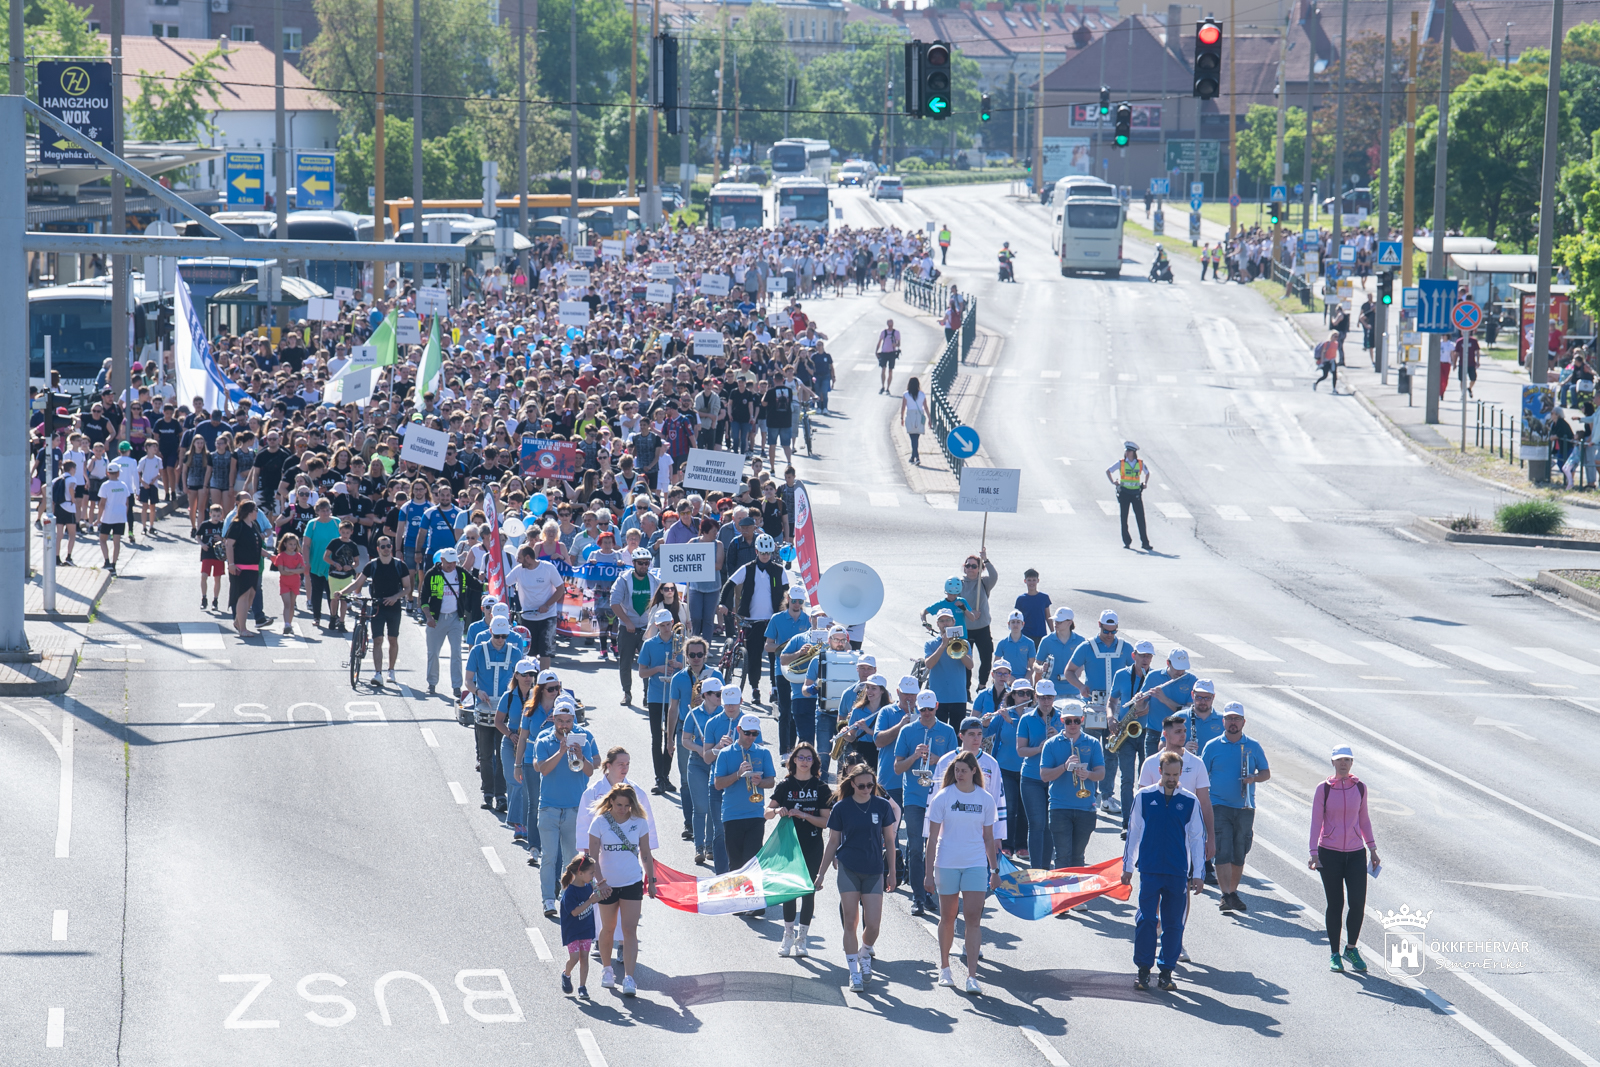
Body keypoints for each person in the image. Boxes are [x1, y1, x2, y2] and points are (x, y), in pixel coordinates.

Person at [1121, 751, 1206, 991]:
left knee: (1173, 924)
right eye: (1168, 774)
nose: (1172, 779)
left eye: (1176, 775)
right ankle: (1143, 970)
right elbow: (1134, 832)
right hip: (1149, 869)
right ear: (1160, 772)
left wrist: (1198, 873)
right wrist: (1128, 867)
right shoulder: (1144, 797)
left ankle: (1167, 971)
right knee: (1147, 919)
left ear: (1180, 773)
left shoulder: (1190, 801)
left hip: (1177, 872)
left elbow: (1197, 838)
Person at [815, 763, 899, 992]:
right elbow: (833, 842)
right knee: (850, 920)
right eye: (861, 785)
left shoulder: (882, 806)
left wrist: (892, 872)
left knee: (873, 925)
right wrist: (820, 875)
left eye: (870, 785)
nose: (866, 789)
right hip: (848, 868)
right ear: (851, 784)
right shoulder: (841, 808)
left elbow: (890, 842)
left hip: (874, 869)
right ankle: (854, 973)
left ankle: (864, 953)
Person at [924, 752, 1000, 994]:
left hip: (975, 864)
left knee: (973, 919)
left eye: (964, 770)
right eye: (956, 770)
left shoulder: (986, 799)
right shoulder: (942, 797)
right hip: (946, 863)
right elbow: (932, 838)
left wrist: (994, 869)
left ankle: (972, 975)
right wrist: (927, 874)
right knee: (948, 917)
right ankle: (945, 968)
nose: (959, 774)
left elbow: (989, 837)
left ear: (974, 771)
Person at [1310, 743, 1378, 973]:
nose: (1343, 763)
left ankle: (1351, 948)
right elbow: (1316, 822)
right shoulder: (1324, 789)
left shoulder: (1359, 788)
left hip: (1355, 853)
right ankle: (1334, 953)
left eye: (1347, 760)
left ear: (1351, 763)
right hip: (1329, 853)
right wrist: (1313, 853)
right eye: (1339, 759)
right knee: (1335, 904)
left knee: (1358, 903)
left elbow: (1364, 819)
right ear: (1332, 762)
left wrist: (1372, 848)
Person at [585, 782, 656, 997]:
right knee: (608, 929)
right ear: (610, 802)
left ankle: (629, 978)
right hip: (607, 884)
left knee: (629, 930)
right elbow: (592, 856)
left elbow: (645, 853)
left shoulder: (640, 823)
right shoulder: (599, 823)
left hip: (632, 882)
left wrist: (650, 881)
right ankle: (607, 971)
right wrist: (600, 882)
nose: (622, 809)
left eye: (626, 805)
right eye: (618, 805)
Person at [895, 688, 960, 917]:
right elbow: (897, 767)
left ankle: (931, 892)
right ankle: (918, 897)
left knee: (938, 847)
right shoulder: (907, 731)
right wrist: (914, 757)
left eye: (930, 709)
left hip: (939, 797)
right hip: (914, 797)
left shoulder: (948, 731)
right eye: (922, 709)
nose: (925, 713)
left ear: (937, 707)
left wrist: (937, 760)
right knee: (915, 848)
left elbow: (957, 767)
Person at [1202, 702, 1270, 913]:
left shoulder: (1254, 746)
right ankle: (1226, 895)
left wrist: (1253, 778)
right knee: (1222, 851)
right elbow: (1202, 776)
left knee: (1239, 852)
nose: (1233, 723)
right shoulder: (1212, 746)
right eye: (1229, 719)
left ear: (1243, 722)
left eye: (1237, 719)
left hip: (1245, 808)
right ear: (1223, 721)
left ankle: (1232, 891)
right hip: (1219, 805)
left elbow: (1266, 773)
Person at [533, 697, 598, 916]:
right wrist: (561, 752)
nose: (564, 725)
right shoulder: (543, 740)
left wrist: (580, 755)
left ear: (573, 720)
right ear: (553, 719)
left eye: (568, 721)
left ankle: (566, 897)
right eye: (560, 721)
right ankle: (548, 900)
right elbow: (543, 769)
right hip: (549, 808)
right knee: (549, 857)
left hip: (574, 810)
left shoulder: (583, 740)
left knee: (572, 861)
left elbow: (589, 771)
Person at [768, 741, 833, 958]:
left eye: (809, 758)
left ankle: (802, 939)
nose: (804, 761)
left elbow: (826, 822)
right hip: (788, 846)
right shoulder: (785, 785)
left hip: (812, 844)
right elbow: (767, 812)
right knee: (789, 890)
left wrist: (804, 815)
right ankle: (787, 936)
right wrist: (778, 811)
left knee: (808, 891)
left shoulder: (821, 788)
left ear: (814, 762)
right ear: (793, 760)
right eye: (801, 757)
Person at [713, 712, 778, 915]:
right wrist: (738, 774)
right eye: (747, 733)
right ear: (738, 730)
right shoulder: (725, 754)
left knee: (753, 860)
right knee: (736, 861)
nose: (751, 737)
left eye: (755, 734)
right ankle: (738, 902)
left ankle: (755, 903)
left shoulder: (763, 753)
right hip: (732, 814)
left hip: (755, 813)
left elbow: (771, 781)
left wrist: (760, 781)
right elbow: (718, 784)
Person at [718, 533, 788, 705]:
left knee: (774, 656)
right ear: (756, 551)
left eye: (768, 553)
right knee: (754, 656)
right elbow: (729, 584)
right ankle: (755, 688)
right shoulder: (747, 569)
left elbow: (787, 593)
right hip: (752, 620)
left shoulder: (779, 571)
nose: (765, 556)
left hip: (773, 621)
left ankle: (774, 688)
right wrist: (722, 604)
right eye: (762, 553)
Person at [1040, 701, 1105, 867]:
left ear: (1082, 720)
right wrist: (1064, 767)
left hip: (1086, 807)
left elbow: (1101, 774)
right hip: (1059, 807)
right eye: (1068, 721)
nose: (1073, 724)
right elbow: (1044, 776)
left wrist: (1088, 774)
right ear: (1062, 721)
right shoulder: (1051, 744)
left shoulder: (1093, 743)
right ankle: (1063, 892)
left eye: (1076, 720)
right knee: (1062, 856)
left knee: (1078, 857)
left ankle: (1076, 892)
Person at [347, 535, 411, 684]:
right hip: (377, 605)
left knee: (393, 639)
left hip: (394, 606)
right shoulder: (372, 565)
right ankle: (378, 674)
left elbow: (407, 588)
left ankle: (391, 671)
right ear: (378, 549)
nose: (386, 549)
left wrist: (396, 597)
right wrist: (341, 592)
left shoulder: (400, 565)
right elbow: (357, 583)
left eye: (388, 546)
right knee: (377, 640)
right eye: (383, 546)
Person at [681, 675, 728, 865]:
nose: (720, 697)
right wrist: (701, 749)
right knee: (700, 807)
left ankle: (710, 846)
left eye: (722, 694)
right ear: (706, 695)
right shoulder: (694, 714)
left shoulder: (724, 715)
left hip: (717, 764)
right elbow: (685, 740)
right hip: (697, 764)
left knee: (712, 806)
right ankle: (698, 847)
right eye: (717, 694)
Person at [420, 548, 479, 698]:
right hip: (436, 619)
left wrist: (492, 587)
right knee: (433, 652)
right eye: (449, 563)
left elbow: (476, 585)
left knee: (456, 653)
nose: (452, 566)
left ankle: (456, 686)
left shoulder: (461, 573)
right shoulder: (432, 575)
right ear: (442, 561)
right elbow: (423, 598)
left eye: (454, 563)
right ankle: (432, 683)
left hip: (455, 618)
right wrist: (428, 617)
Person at [1015, 679, 1061, 868]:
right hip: (1032, 778)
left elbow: (1070, 749)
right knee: (1037, 824)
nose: (1046, 701)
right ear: (1036, 697)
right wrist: (1039, 748)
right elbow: (1020, 750)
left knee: (1050, 825)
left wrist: (1058, 738)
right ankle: (1036, 870)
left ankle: (1046, 868)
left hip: (1054, 778)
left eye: (1049, 697)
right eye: (1042, 697)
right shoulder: (1027, 719)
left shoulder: (1062, 718)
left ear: (1054, 697)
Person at [505, 544, 566, 672]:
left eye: (519, 558)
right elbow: (504, 583)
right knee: (529, 651)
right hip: (527, 617)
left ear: (528, 557)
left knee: (545, 650)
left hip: (547, 617)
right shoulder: (518, 570)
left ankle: (543, 679)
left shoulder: (548, 568)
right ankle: (530, 677)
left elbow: (560, 589)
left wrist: (547, 605)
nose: (517, 561)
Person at [922, 608, 974, 730]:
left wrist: (956, 645)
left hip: (958, 697)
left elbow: (970, 665)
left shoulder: (964, 643)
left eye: (948, 620)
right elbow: (929, 664)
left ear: (953, 622)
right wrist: (943, 645)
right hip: (938, 698)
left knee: (957, 734)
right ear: (938, 624)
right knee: (938, 733)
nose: (945, 623)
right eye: (942, 621)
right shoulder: (930, 644)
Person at [222, 500, 265, 637]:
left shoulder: (254, 525)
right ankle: (243, 629)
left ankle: (237, 621)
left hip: (254, 566)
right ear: (248, 512)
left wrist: (271, 556)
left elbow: (257, 545)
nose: (257, 512)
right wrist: (231, 564)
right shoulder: (237, 525)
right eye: (255, 510)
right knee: (243, 595)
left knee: (251, 595)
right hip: (240, 567)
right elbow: (229, 544)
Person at [559, 852, 598, 998]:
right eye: (591, 872)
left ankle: (582, 987)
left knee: (584, 957)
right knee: (574, 958)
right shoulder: (570, 893)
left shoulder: (589, 886)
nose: (593, 875)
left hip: (586, 928)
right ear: (580, 873)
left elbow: (595, 897)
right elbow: (574, 912)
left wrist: (601, 893)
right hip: (573, 931)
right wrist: (590, 901)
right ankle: (566, 974)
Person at [1105, 441, 1152, 551]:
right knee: (1124, 518)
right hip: (1125, 493)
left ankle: (1145, 542)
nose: (1127, 452)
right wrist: (1113, 482)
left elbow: (1147, 473)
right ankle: (1127, 541)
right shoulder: (1121, 463)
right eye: (1126, 450)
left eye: (1129, 451)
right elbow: (1108, 471)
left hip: (1136, 493)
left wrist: (1145, 483)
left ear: (1134, 452)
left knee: (1140, 518)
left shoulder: (1140, 463)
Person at [270, 531, 306, 637]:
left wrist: (291, 570)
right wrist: (295, 570)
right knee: (287, 603)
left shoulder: (298, 556)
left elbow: (302, 569)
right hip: (285, 583)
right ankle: (286, 624)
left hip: (295, 583)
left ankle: (289, 623)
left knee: (292, 604)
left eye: (295, 544)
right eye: (290, 544)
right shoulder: (281, 556)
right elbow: (282, 571)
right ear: (285, 544)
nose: (293, 546)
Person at [197, 503, 226, 609]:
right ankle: (204, 598)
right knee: (204, 576)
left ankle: (215, 600)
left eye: (218, 516)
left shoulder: (223, 525)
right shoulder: (205, 525)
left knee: (217, 578)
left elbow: (228, 539)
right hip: (207, 553)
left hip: (219, 555)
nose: (216, 518)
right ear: (210, 514)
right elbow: (198, 536)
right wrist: (202, 544)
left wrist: (222, 539)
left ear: (221, 515)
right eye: (214, 516)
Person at [901, 376, 929, 464]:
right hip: (920, 416)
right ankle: (913, 457)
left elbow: (903, 407)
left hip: (910, 416)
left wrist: (902, 418)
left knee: (912, 437)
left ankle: (916, 457)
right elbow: (926, 407)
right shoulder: (922, 394)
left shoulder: (906, 394)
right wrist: (929, 418)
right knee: (916, 437)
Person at [876, 319, 902, 395]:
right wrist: (876, 351)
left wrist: (895, 345)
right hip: (884, 352)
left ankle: (888, 388)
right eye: (889, 325)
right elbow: (879, 342)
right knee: (883, 369)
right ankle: (883, 386)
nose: (890, 326)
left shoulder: (896, 333)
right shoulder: (883, 332)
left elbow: (899, 344)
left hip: (892, 353)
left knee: (890, 371)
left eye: (891, 324)